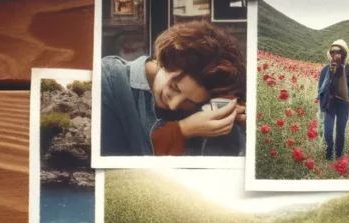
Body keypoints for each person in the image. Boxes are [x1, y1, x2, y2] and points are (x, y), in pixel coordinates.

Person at [99, 21, 245, 158]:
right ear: (168, 59)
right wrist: (182, 130)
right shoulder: (108, 78)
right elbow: (115, 166)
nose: (173, 105)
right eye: (175, 87)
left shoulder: (204, 108)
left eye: (189, 101)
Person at [317, 40, 349, 163]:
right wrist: (330, 77)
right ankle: (328, 155)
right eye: (333, 52)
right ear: (330, 54)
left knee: (340, 132)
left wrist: (345, 93)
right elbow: (320, 90)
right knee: (327, 132)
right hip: (330, 104)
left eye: (338, 51)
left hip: (343, 104)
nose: (335, 54)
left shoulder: (347, 70)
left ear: (343, 54)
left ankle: (338, 158)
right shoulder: (325, 70)